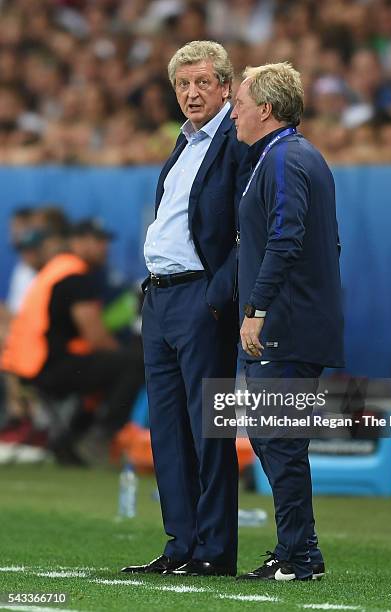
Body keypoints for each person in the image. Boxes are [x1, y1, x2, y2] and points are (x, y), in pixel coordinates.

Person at [121, 41, 248, 577]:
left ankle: (214, 551)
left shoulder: (239, 140)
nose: (191, 93)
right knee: (166, 430)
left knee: (206, 428)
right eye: (182, 84)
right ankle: (181, 546)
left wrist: (218, 297)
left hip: (200, 297)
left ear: (225, 86)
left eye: (201, 82)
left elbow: (249, 230)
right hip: (161, 296)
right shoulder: (182, 142)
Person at [231, 62, 344, 581]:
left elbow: (286, 237)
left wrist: (256, 309)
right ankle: (295, 548)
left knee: (279, 439)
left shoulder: (283, 159)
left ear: (266, 110)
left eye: (240, 102)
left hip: (286, 323)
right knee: (274, 437)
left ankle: (301, 555)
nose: (234, 112)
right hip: (298, 318)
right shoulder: (294, 156)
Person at [1, 218, 144, 464]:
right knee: (133, 363)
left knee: (108, 367)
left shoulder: (57, 268)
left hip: (27, 365)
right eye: (98, 241)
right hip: (45, 367)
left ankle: (68, 443)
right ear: (77, 242)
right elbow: (96, 337)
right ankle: (98, 437)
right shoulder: (75, 274)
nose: (104, 248)